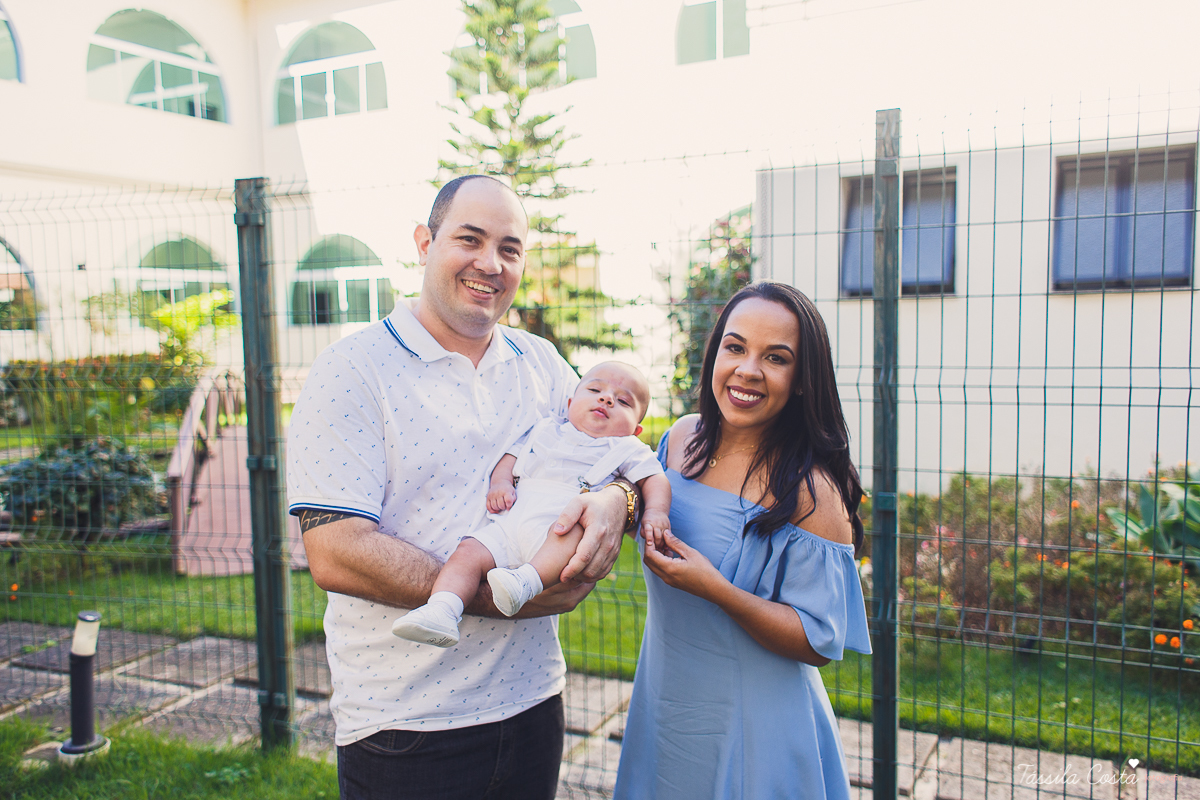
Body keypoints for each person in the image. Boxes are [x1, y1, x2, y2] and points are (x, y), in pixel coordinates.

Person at [287, 174, 638, 800]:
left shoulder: (545, 365)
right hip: (406, 722)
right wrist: (501, 597)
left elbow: (617, 457)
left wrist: (621, 501)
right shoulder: (352, 370)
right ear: (425, 242)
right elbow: (336, 552)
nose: (490, 264)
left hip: (532, 701)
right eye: (469, 239)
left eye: (509, 248)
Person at [614, 281, 873, 800]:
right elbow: (643, 499)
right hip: (666, 703)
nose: (747, 370)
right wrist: (623, 504)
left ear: (801, 379)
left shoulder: (811, 493)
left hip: (756, 726)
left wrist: (717, 590)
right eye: (735, 347)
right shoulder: (680, 438)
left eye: (775, 358)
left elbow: (818, 640)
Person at [393, 361, 671, 647]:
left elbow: (655, 479)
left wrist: (657, 512)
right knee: (468, 552)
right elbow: (511, 457)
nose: (607, 398)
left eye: (623, 401)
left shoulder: (626, 448)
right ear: (570, 402)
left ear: (636, 429)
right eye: (595, 389)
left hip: (560, 525)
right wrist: (501, 483)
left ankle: (525, 582)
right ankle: (442, 610)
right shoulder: (545, 428)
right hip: (509, 521)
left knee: (571, 532)